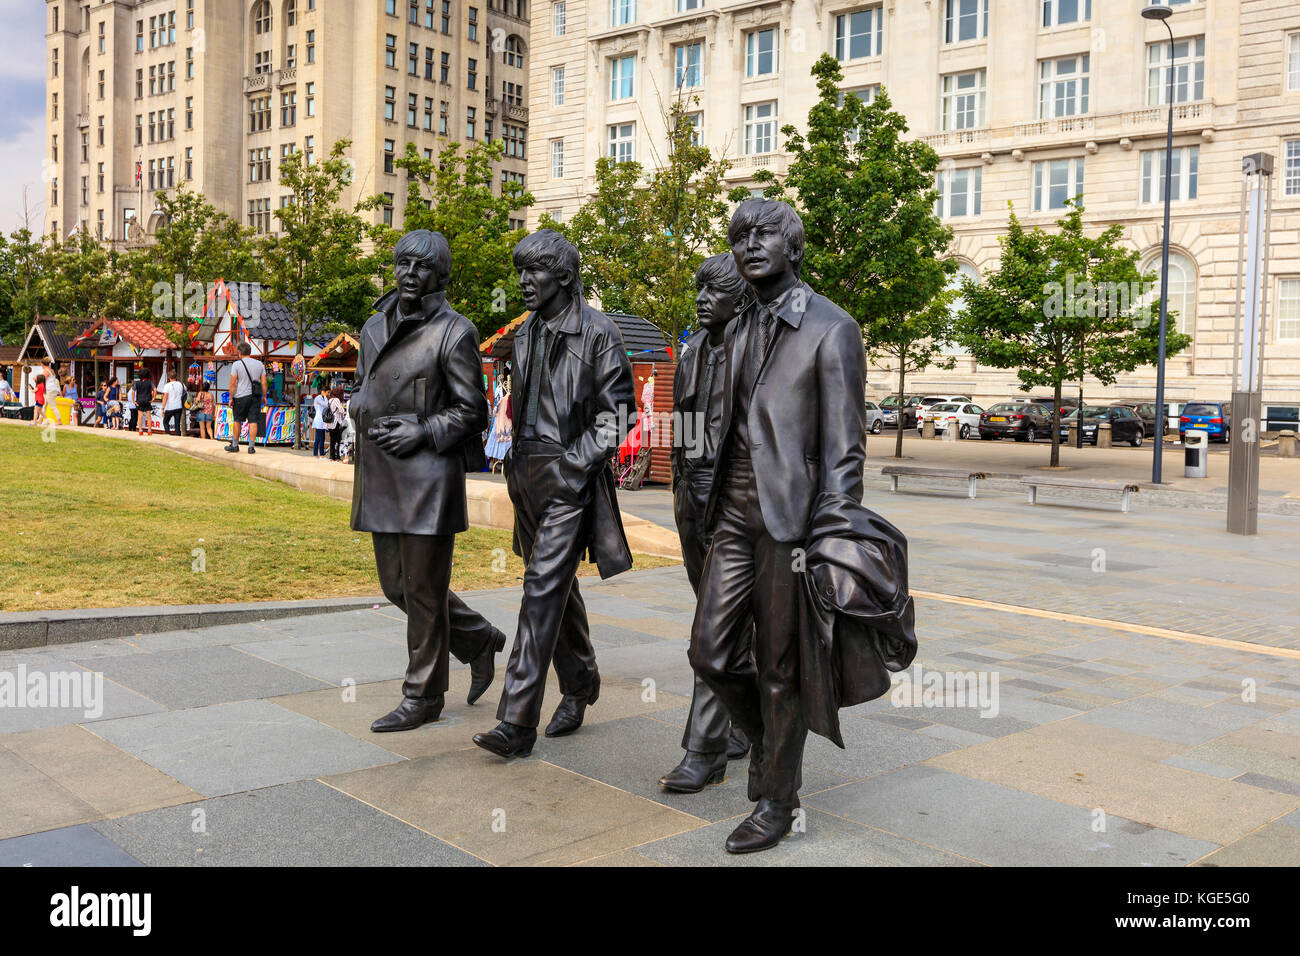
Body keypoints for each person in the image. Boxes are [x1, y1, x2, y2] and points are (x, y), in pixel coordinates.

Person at [688, 199, 869, 854]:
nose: (750, 244)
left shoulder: (831, 328)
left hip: (791, 521)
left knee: (779, 665)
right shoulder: (737, 327)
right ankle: (764, 738)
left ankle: (779, 799)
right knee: (708, 651)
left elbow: (845, 448)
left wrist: (834, 536)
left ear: (794, 247)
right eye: (740, 236)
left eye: (765, 233)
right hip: (733, 513)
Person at [472, 230, 637, 760]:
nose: (523, 283)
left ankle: (516, 722)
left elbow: (620, 416)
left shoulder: (598, 333)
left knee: (540, 591)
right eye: (520, 272)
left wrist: (574, 464)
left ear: (563, 277)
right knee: (553, 587)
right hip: (526, 476)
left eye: (534, 273)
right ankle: (582, 679)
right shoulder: (525, 334)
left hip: (570, 476)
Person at [350, 229, 507, 732]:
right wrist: (357, 402)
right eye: (403, 265)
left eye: (422, 268)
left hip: (427, 478)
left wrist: (422, 427)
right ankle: (478, 639)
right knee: (398, 586)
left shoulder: (454, 331)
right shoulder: (374, 325)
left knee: (422, 589)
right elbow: (361, 382)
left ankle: (423, 695)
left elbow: (472, 411)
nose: (410, 276)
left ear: (440, 275)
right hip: (380, 472)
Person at [659, 253, 755, 794]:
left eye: (712, 291)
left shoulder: (758, 349)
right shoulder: (696, 351)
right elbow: (689, 426)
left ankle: (705, 749)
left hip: (739, 507)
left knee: (711, 631)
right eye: (698, 290)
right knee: (720, 621)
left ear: (739, 298)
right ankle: (742, 723)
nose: (699, 300)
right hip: (694, 503)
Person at [225, 342, 267, 454]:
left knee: (237, 420)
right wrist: (264, 396)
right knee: (253, 421)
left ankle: (235, 445)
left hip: (240, 397)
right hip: (255, 397)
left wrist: (230, 397)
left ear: (239, 352)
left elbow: (233, 383)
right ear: (250, 352)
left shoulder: (237, 365)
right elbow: (264, 383)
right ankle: (251, 447)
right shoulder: (260, 364)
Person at [483, 372, 512, 472]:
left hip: (501, 424)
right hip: (506, 425)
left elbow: (494, 412)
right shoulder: (507, 399)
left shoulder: (504, 400)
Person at [159, 371, 185, 436]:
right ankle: (177, 436)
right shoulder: (181, 384)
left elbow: (165, 397)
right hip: (179, 406)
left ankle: (168, 434)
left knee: (165, 422)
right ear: (176, 377)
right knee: (177, 423)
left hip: (169, 407)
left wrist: (162, 408)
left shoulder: (167, 385)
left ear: (169, 377)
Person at [327, 385, 346, 461]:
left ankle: (332, 457)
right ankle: (337, 456)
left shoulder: (330, 400)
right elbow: (342, 410)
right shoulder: (336, 400)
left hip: (330, 423)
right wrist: (342, 406)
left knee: (332, 440)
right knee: (338, 440)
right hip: (336, 422)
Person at [134, 368, 155, 436]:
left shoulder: (137, 383)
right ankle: (149, 430)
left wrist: (133, 400)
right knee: (148, 416)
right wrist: (153, 398)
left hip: (139, 400)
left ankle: (140, 430)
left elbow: (133, 391)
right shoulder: (149, 382)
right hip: (147, 400)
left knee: (140, 416)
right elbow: (155, 389)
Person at [311, 388, 328, 457]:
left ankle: (317, 454)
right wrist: (326, 397)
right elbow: (326, 405)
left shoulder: (323, 398)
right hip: (319, 419)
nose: (328, 394)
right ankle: (320, 454)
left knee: (320, 438)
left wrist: (325, 397)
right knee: (320, 438)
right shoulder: (318, 398)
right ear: (323, 392)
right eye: (327, 392)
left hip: (322, 419)